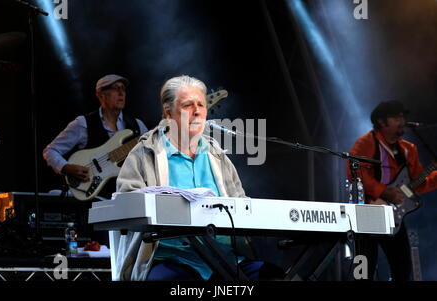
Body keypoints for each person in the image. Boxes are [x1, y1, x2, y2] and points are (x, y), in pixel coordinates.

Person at [113, 75, 283, 281]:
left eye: (201, 105)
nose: (197, 111)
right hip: (173, 260)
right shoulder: (144, 153)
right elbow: (125, 205)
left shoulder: (218, 156)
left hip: (226, 260)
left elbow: (241, 204)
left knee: (274, 276)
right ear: (168, 112)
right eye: (187, 105)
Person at [347, 100, 437, 281]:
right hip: (368, 209)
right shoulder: (366, 142)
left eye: (403, 117)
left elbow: (418, 183)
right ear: (382, 122)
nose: (402, 120)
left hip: (393, 214)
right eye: (396, 117)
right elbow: (355, 171)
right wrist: (384, 191)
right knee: (364, 269)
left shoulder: (408, 149)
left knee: (403, 269)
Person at [43, 74, 148, 199]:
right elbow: (50, 151)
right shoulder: (83, 123)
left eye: (123, 89)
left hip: (127, 197)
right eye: (116, 88)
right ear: (101, 95)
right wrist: (65, 167)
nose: (121, 93)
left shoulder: (137, 125)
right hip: (94, 198)